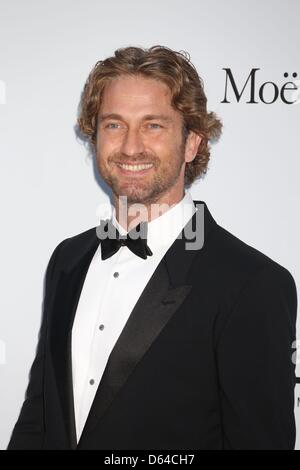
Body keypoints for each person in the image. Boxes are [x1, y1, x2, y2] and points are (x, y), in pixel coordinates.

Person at [8, 45, 297, 450]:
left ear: (192, 143)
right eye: (113, 125)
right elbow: (39, 418)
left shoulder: (251, 283)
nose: (130, 147)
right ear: (94, 138)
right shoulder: (67, 260)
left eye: (153, 126)